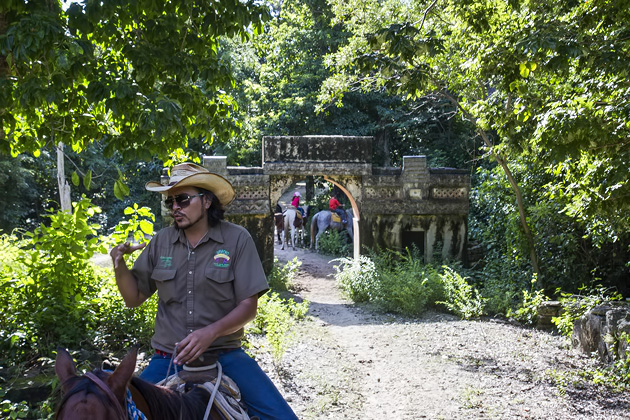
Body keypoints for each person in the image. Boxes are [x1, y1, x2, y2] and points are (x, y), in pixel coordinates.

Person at [110, 162, 297, 420]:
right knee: (122, 411)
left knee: (282, 418)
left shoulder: (236, 240)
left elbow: (248, 306)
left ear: (207, 201)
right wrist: (119, 266)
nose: (175, 207)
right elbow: (134, 298)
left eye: (183, 199)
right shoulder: (161, 242)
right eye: (171, 201)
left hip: (225, 355)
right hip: (168, 358)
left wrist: (210, 333)